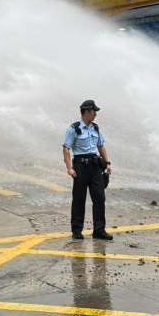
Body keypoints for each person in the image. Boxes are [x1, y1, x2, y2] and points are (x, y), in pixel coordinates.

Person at [62, 100, 113, 241]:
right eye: (94, 112)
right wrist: (69, 168)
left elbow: (101, 145)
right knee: (79, 199)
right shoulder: (73, 128)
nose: (95, 114)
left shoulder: (95, 128)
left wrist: (107, 163)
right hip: (80, 167)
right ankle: (77, 230)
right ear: (86, 112)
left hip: (96, 166)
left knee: (99, 197)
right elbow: (66, 148)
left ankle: (99, 230)